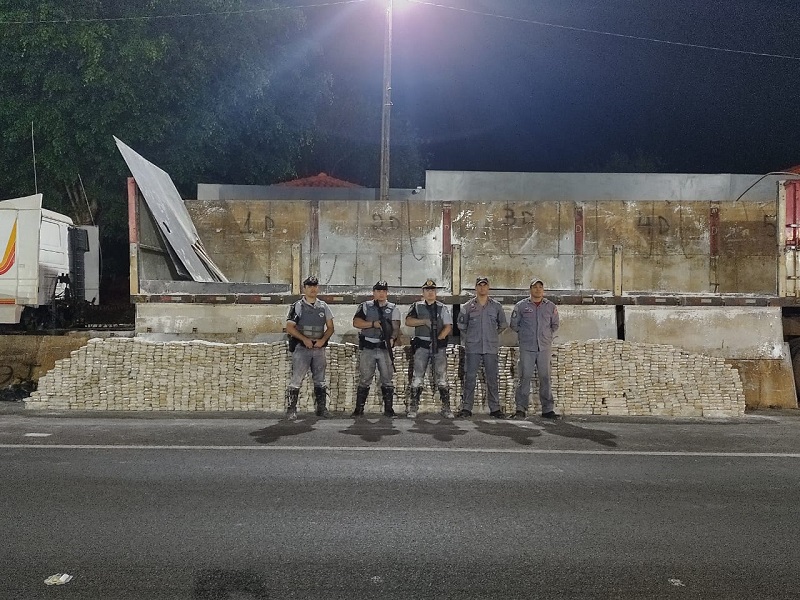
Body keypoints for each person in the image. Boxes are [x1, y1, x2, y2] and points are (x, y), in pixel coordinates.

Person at [456, 276, 508, 418]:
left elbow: (502, 325)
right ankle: (467, 408)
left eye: (485, 285)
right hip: (473, 348)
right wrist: (472, 337)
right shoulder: (467, 307)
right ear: (476, 287)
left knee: (492, 378)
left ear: (488, 287)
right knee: (470, 377)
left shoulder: (496, 306)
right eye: (480, 285)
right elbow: (461, 326)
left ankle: (495, 408)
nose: (482, 288)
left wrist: (491, 334)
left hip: (490, 348)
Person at [284, 275, 335, 420]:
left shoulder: (323, 306)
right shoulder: (298, 306)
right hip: (302, 348)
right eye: (310, 286)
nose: (313, 289)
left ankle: (322, 408)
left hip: (318, 348)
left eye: (315, 286)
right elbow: (290, 327)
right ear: (304, 288)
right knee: (296, 379)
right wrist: (305, 339)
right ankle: (291, 409)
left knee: (320, 379)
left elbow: (330, 327)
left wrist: (323, 340)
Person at [509, 277, 560, 419]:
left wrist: (546, 336)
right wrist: (526, 335)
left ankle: (548, 410)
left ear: (543, 290)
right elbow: (514, 324)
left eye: (540, 287)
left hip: (544, 347)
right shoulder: (521, 306)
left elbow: (555, 325)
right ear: (530, 289)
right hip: (527, 347)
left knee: (545, 378)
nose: (537, 289)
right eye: (535, 287)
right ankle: (520, 409)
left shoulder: (550, 306)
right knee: (524, 377)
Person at [404, 279, 454, 418]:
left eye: (432, 290)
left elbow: (448, 326)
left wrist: (438, 339)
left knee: (442, 378)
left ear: (435, 292)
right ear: (423, 292)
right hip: (422, 346)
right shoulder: (417, 306)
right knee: (418, 377)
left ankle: (446, 408)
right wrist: (424, 321)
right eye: (427, 290)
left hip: (438, 346)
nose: (430, 292)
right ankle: (413, 408)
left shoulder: (442, 307)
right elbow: (408, 321)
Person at [352, 280, 401, 416]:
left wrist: (392, 339)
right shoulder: (366, 306)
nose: (381, 293)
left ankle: (389, 410)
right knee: (365, 378)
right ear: (374, 293)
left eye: (383, 291)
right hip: (368, 347)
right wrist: (373, 324)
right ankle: (359, 409)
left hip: (384, 348)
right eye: (378, 291)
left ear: (387, 293)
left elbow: (396, 327)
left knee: (387, 379)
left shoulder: (393, 308)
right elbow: (356, 322)